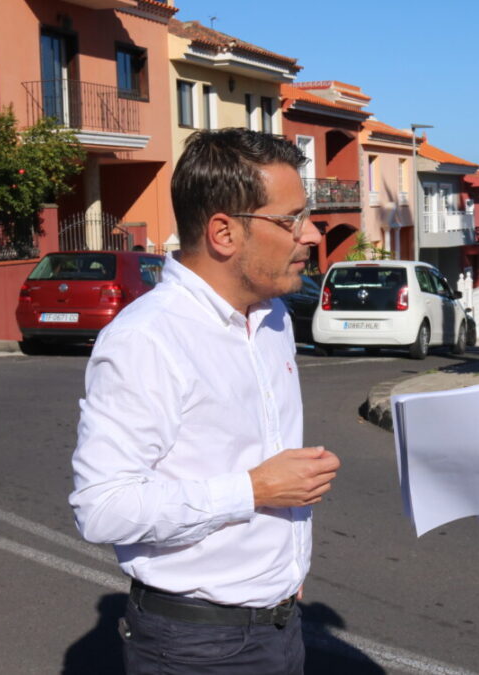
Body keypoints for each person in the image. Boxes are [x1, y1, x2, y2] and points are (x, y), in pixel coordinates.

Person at [70, 128, 340, 674]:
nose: (310, 234)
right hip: (196, 646)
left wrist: (280, 569)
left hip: (279, 626)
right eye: (289, 220)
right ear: (223, 232)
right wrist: (253, 490)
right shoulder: (148, 339)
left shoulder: (273, 316)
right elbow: (101, 508)